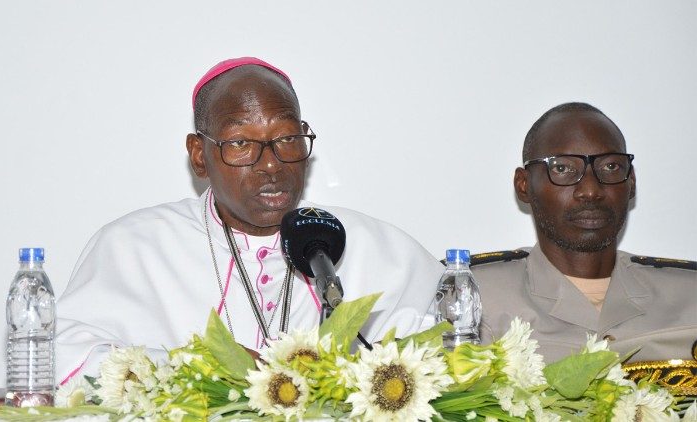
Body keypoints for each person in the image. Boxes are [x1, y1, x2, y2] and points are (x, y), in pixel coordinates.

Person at [54, 57, 444, 383]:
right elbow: (65, 357)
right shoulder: (133, 247)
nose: (272, 164)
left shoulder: (379, 247)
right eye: (241, 143)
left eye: (288, 138)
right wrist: (194, 367)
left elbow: (454, 357)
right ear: (199, 155)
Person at [473, 102, 696, 363]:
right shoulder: (477, 298)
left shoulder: (690, 294)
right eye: (562, 168)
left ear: (631, 182)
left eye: (610, 167)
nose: (591, 190)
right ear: (524, 186)